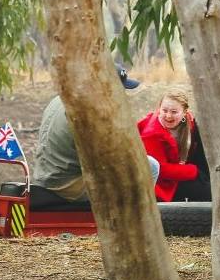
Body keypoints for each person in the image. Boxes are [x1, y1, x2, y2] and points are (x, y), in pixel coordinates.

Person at [30, 67, 160, 207]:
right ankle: (137, 222)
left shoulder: (60, 98)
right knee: (150, 166)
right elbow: (105, 161)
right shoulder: (89, 113)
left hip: (45, 177)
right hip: (68, 186)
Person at [137, 89, 203, 203]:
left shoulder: (188, 123)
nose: (168, 115)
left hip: (179, 170)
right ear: (159, 109)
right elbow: (160, 169)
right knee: (205, 190)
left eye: (174, 112)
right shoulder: (152, 134)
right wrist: (193, 171)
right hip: (161, 184)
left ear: (185, 112)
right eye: (164, 110)